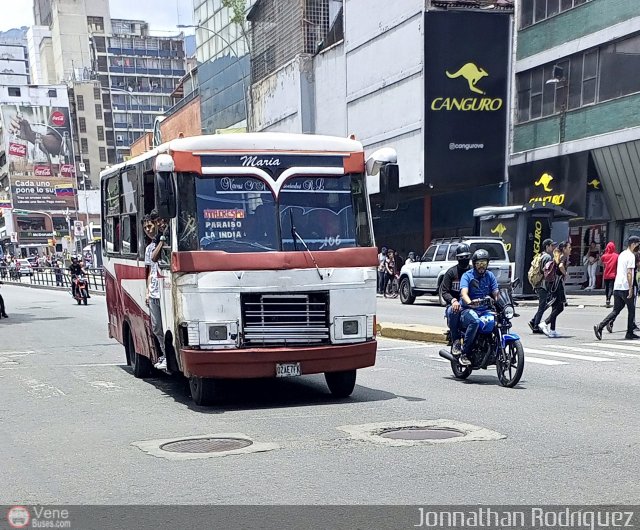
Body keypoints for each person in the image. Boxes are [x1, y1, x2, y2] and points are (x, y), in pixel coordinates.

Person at [594, 236, 640, 341]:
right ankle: (629, 333)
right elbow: (629, 273)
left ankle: (600, 326)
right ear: (633, 244)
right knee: (631, 310)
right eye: (638, 244)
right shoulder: (631, 256)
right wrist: (630, 288)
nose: (638, 247)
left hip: (617, 286)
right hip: (625, 287)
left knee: (616, 310)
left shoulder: (622, 254)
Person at [458, 249, 499, 366]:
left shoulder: (489, 275)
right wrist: (470, 302)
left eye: (484, 263)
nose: (481, 266)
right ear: (474, 264)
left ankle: (495, 349)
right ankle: (464, 354)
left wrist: (500, 301)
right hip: (468, 310)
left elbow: (496, 292)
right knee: (475, 321)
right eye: (479, 263)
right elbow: (464, 293)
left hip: (485, 310)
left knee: (499, 320)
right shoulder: (468, 276)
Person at [144, 211, 168, 371]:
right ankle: (165, 355)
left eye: (150, 225)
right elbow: (150, 268)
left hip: (165, 291)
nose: (148, 229)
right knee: (157, 327)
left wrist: (163, 238)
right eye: (145, 227)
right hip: (153, 292)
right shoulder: (150, 247)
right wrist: (147, 290)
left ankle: (169, 356)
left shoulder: (167, 240)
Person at [440, 244, 472, 355]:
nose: (464, 260)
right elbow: (444, 292)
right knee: (454, 310)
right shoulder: (451, 272)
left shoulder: (474, 272)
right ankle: (456, 340)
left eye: (466, 257)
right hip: (455, 305)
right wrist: (453, 300)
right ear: (457, 258)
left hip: (472, 304)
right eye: (461, 257)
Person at [539, 241, 571, 338]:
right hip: (558, 284)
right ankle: (545, 323)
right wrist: (565, 274)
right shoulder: (563, 256)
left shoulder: (557, 255)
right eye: (569, 247)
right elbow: (561, 266)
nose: (570, 249)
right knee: (560, 307)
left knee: (555, 307)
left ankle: (552, 330)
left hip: (552, 284)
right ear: (564, 248)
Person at [528, 239, 556, 334]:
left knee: (544, 304)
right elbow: (547, 274)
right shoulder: (547, 257)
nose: (553, 248)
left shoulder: (540, 255)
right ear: (547, 246)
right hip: (542, 285)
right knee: (542, 306)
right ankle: (536, 326)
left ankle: (533, 321)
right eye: (552, 246)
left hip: (538, 283)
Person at [600, 242, 618, 308]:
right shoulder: (616, 256)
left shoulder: (604, 256)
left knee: (606, 288)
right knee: (611, 288)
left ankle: (606, 299)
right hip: (613, 274)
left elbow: (601, 263)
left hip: (606, 274)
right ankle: (609, 299)